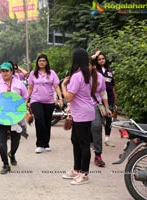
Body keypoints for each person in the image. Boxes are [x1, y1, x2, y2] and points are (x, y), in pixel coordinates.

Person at [61, 48, 95, 185]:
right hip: (82, 112)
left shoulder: (77, 76)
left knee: (83, 144)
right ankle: (77, 169)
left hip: (82, 114)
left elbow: (69, 97)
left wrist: (63, 85)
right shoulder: (88, 75)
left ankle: (84, 174)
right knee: (75, 140)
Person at [27, 54, 63, 153]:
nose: (41, 62)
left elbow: (56, 86)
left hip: (49, 101)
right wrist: (26, 99)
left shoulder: (52, 73)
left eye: (43, 60)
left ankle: (46, 143)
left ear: (46, 62)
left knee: (47, 122)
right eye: (40, 61)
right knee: (39, 120)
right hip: (36, 100)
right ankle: (39, 144)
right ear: (37, 62)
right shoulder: (33, 74)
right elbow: (30, 87)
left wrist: (60, 98)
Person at [90, 57, 112, 167]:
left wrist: (107, 107)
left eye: (91, 65)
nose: (89, 67)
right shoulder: (79, 76)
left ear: (94, 66)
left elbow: (103, 93)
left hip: (95, 105)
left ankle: (98, 155)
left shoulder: (99, 77)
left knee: (96, 127)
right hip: (81, 107)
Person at [94, 50, 117, 147]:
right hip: (98, 100)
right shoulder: (95, 71)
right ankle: (94, 141)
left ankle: (107, 138)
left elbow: (112, 86)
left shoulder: (110, 70)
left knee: (109, 119)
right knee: (97, 122)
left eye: (103, 59)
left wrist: (115, 99)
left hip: (110, 98)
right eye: (99, 59)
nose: (101, 60)